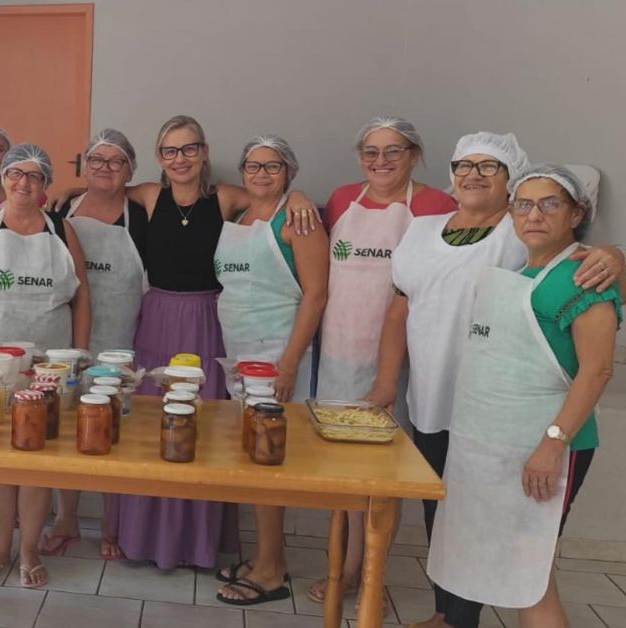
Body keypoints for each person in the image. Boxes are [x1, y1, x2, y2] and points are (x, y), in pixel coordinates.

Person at [370, 134, 623, 628]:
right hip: (468, 418)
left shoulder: (566, 265)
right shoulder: (446, 239)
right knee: (458, 529)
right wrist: (385, 384)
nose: (534, 215)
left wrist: (615, 254)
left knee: (528, 567)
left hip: (538, 432)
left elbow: (598, 364)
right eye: (465, 165)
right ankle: (453, 618)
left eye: (491, 167)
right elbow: (400, 308)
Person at [110, 115, 315, 572]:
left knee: (202, 428)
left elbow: (274, 200)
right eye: (169, 151)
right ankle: (146, 539)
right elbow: (103, 185)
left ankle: (197, 543)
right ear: (159, 157)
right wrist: (65, 191)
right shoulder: (147, 196)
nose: (179, 159)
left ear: (204, 152)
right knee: (154, 426)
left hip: (208, 321)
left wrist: (299, 193)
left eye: (188, 149)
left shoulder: (226, 198)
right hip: (157, 320)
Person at [304, 116, 457, 604]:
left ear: (415, 155)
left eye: (393, 151)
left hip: (401, 362)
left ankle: (368, 572)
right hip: (337, 354)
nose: (381, 161)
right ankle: (344, 567)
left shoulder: (435, 205)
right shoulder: (343, 199)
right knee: (343, 466)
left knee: (382, 474)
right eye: (371, 151)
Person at [0, 143, 91, 588]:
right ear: (4, 178)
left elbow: (82, 296)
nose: (23, 183)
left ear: (46, 185)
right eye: (15, 174)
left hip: (49, 367)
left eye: (33, 176)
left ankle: (29, 548)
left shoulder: (63, 231)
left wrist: (78, 357)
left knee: (37, 460)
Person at [211, 135, 328, 605]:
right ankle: (264, 555)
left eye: (273, 166)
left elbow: (316, 295)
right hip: (240, 355)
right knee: (252, 459)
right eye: (253, 166)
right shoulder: (238, 217)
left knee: (268, 463)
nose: (261, 174)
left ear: (290, 173)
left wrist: (290, 364)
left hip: (278, 359)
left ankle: (272, 569)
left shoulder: (296, 221)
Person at [41, 128, 147, 560]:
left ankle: (112, 523)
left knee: (114, 428)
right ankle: (65, 517)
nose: (105, 169)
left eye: (115, 161)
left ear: (130, 170)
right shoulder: (63, 207)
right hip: (69, 337)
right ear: (84, 165)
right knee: (68, 427)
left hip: (122, 337)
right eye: (96, 160)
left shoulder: (140, 215)